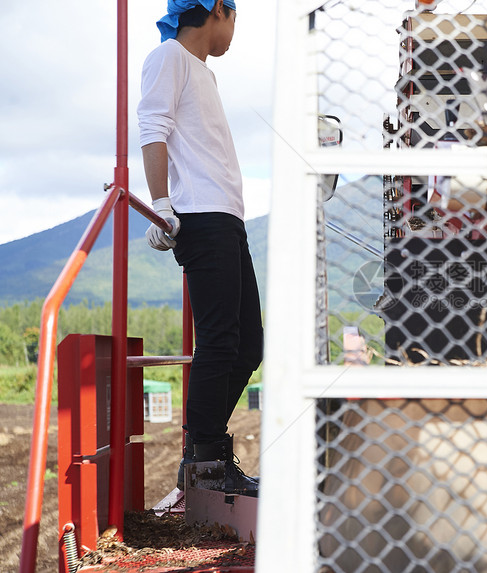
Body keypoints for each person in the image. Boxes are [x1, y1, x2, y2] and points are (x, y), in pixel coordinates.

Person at [138, 0, 263, 496]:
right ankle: (207, 461)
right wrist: (163, 203)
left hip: (227, 218)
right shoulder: (168, 56)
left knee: (248, 343)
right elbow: (153, 126)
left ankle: (201, 450)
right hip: (201, 217)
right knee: (219, 340)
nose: (234, 32)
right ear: (216, 9)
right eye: (235, 19)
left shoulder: (203, 74)